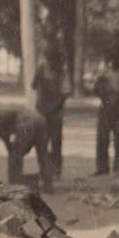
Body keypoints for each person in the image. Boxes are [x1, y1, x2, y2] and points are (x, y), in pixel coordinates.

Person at [0, 107, 53, 191]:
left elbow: (12, 150)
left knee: (16, 153)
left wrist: (16, 155)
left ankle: (15, 182)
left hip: (27, 122)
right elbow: (9, 146)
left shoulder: (1, 122)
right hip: (40, 119)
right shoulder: (2, 121)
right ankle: (48, 184)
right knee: (43, 154)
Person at [92, 50, 119, 176]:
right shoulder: (103, 73)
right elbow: (96, 90)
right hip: (106, 108)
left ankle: (118, 167)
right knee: (102, 139)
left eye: (117, 57)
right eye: (113, 57)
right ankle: (102, 167)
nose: (115, 60)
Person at [32, 51, 70, 180]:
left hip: (55, 112)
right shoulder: (41, 69)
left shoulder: (62, 72)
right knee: (42, 142)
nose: (51, 64)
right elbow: (33, 85)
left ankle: (56, 171)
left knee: (56, 142)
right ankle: (45, 170)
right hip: (43, 111)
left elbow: (65, 93)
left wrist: (54, 106)